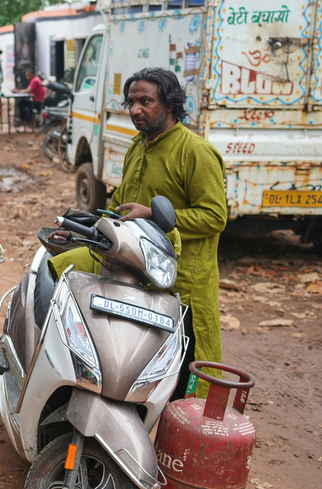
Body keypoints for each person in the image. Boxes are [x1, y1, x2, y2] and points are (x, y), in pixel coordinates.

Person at [49, 67, 226, 400]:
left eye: (145, 101)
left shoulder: (196, 152)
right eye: (131, 102)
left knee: (183, 376)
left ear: (170, 104)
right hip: (129, 265)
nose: (135, 110)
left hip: (180, 279)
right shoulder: (137, 146)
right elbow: (118, 206)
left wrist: (151, 216)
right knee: (56, 267)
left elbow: (215, 216)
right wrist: (81, 231)